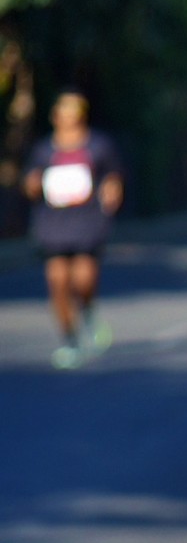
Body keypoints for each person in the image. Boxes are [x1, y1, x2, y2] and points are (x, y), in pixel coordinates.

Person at [24, 91, 124, 368]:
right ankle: (70, 340)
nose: (67, 119)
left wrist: (112, 190)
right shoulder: (44, 150)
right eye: (62, 113)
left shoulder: (98, 146)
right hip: (53, 224)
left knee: (83, 278)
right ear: (55, 117)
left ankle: (88, 311)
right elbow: (31, 180)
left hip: (86, 221)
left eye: (73, 113)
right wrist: (31, 185)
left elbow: (112, 176)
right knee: (57, 280)